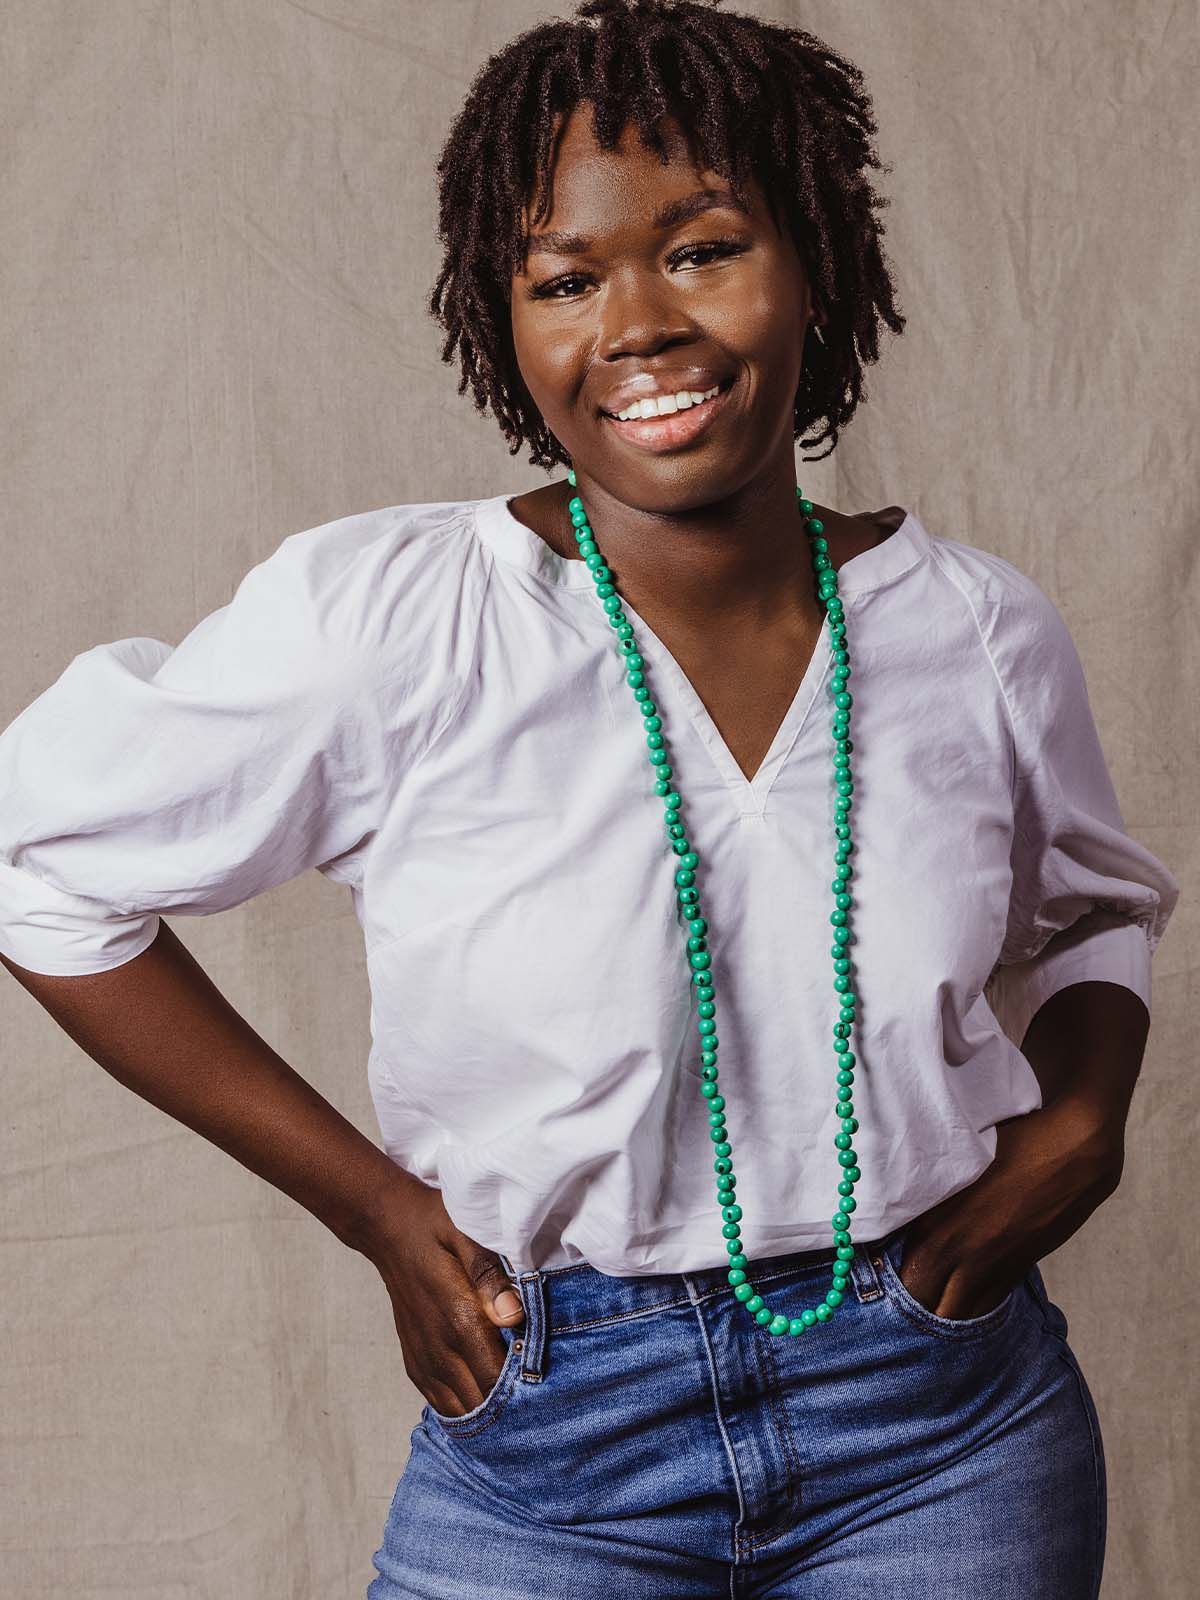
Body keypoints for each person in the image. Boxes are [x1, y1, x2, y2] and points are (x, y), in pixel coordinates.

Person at [0, 1, 1180, 1594]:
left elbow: (1095, 904)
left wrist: (1088, 1116)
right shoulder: (400, 621)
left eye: (701, 250)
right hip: (560, 1434)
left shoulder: (971, 626)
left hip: (942, 1416)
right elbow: (41, 858)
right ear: (508, 327)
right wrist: (368, 1208)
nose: (634, 323)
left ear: (813, 265)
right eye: (564, 278)